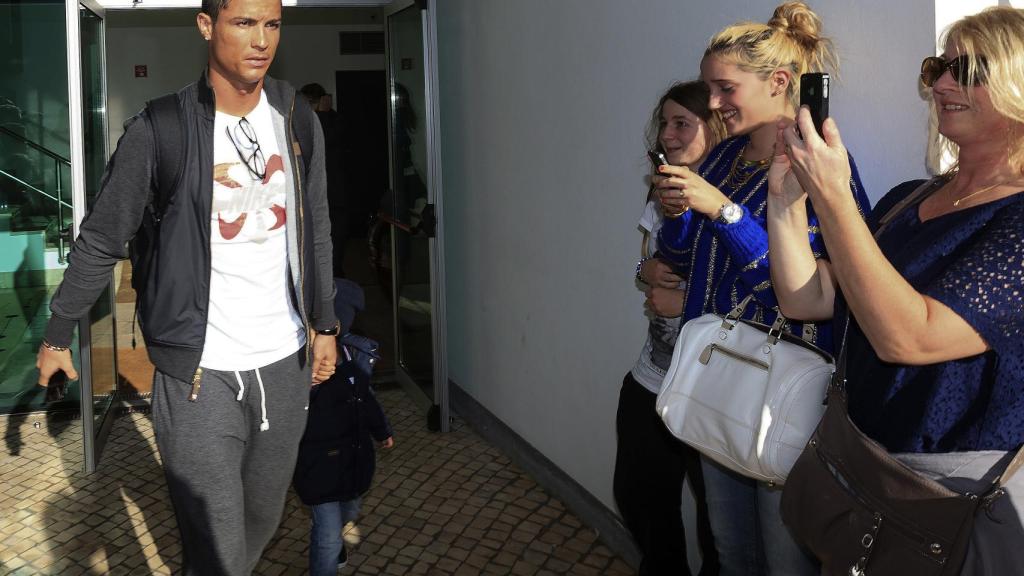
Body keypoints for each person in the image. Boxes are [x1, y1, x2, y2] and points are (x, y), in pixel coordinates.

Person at [34, 0, 339, 573]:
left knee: (261, 522)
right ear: (207, 26)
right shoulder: (160, 129)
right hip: (200, 373)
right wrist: (56, 332)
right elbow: (102, 240)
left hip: (285, 360)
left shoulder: (296, 116)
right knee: (215, 543)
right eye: (243, 23)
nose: (260, 40)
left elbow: (315, 226)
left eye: (271, 24)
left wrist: (324, 324)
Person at [767, 7, 1024, 574]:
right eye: (939, 67)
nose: (943, 84)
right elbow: (807, 301)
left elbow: (907, 338)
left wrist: (834, 199)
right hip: (859, 468)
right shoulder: (910, 197)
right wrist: (787, 201)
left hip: (948, 502)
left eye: (970, 68)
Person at [654, 3, 870, 574]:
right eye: (708, 88)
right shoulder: (723, 155)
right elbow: (678, 258)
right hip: (716, 375)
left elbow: (805, 297)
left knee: (785, 562)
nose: (715, 103)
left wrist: (724, 212)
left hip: (784, 397)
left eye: (725, 88)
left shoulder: (821, 165)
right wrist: (677, 211)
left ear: (779, 82)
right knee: (731, 553)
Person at [613, 80, 724, 576]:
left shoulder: (732, 199)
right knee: (637, 495)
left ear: (716, 126)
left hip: (712, 391)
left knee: (719, 526)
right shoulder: (663, 191)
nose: (669, 134)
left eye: (683, 123)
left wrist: (685, 297)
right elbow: (646, 266)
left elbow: (765, 286)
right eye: (665, 123)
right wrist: (646, 274)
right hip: (652, 377)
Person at [293, 279, 395, 576]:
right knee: (326, 534)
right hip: (316, 466)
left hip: (353, 461)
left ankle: (335, 538)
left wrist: (382, 430)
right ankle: (328, 548)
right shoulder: (297, 365)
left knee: (349, 511)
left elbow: (367, 401)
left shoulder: (355, 360)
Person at [300, 82, 347, 277]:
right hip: (313, 188)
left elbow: (326, 140)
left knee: (335, 235)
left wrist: (323, 114)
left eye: (310, 103)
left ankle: (333, 273)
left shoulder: (334, 120)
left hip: (335, 190)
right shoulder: (303, 120)